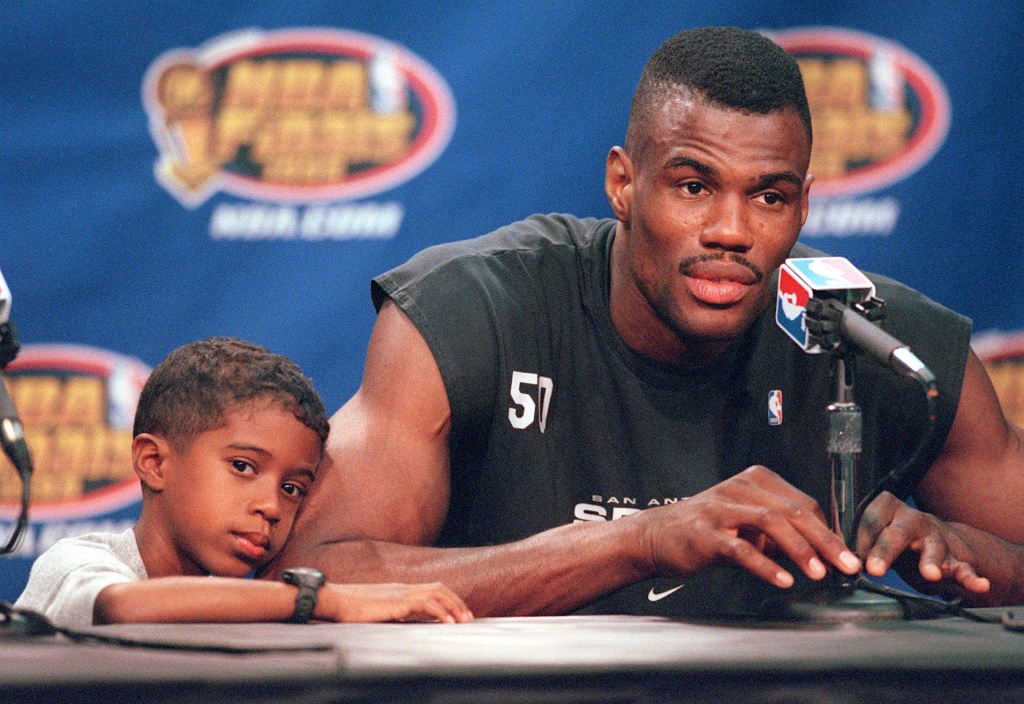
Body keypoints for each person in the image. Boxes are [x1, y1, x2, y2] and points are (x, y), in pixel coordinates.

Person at [267, 27, 1024, 618]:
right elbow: (318, 571)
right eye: (694, 185)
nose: (732, 229)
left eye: (770, 196)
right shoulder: (475, 310)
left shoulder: (874, 343)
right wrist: (638, 542)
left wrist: (972, 556)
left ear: (804, 201)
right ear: (622, 184)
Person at [14, 337, 473, 628]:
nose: (272, 507)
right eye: (243, 467)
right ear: (154, 462)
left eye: (293, 488)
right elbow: (124, 607)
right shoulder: (76, 561)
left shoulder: (250, 609)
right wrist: (324, 599)